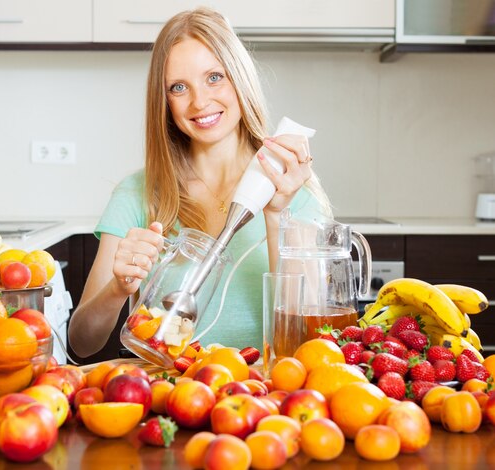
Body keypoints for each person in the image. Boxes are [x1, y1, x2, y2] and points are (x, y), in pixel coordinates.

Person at [68, 7, 332, 358]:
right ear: (164, 102)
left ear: (239, 77)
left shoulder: (292, 190)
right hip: (168, 398)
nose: (200, 101)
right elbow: (82, 343)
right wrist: (119, 288)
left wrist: (275, 215)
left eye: (214, 77)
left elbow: (310, 340)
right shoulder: (137, 195)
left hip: (262, 401)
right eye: (179, 87)